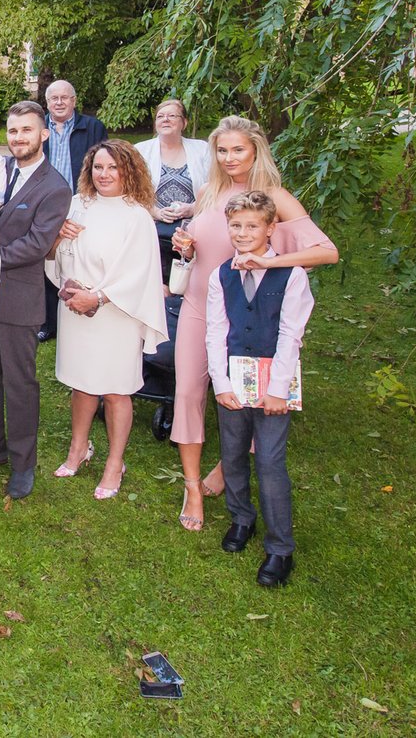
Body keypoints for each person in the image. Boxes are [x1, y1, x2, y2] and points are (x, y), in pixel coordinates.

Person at [171, 117, 337, 533]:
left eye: (237, 150)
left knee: (249, 392)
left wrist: (270, 261)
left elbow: (326, 252)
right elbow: (205, 246)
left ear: (256, 150)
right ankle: (192, 486)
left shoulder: (275, 197)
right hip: (199, 304)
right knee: (189, 390)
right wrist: (185, 245)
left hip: (249, 312)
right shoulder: (209, 192)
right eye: (222, 151)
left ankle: (228, 468)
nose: (229, 159)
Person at [44, 140, 168, 500]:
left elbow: (139, 272)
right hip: (76, 309)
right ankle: (78, 448)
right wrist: (56, 239)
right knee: (81, 383)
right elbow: (56, 255)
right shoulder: (77, 205)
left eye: (113, 167)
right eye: (98, 167)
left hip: (116, 312)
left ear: (129, 170)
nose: (104, 174)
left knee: (116, 389)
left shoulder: (136, 216)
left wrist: (96, 297)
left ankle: (115, 463)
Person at [207, 190, 314, 587]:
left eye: (252, 226)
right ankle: (241, 518)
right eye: (236, 225)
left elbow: (291, 334)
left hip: (274, 380)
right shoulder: (222, 274)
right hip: (234, 377)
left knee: (269, 461)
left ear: (271, 228)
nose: (243, 232)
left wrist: (278, 389)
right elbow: (217, 330)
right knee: (232, 453)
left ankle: (280, 547)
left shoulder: (292, 275)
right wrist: (220, 382)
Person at [0, 101, 71, 499]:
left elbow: (37, 244)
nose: (18, 138)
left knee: (20, 384)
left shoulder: (55, 187)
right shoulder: (3, 171)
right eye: (13, 131)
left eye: (26, 131)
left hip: (19, 298)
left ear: (43, 133)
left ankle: (23, 463)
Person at [40, 80, 108, 342]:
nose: (59, 102)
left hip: (82, 201)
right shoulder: (39, 127)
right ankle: (48, 322)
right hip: (47, 201)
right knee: (48, 256)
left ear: (74, 101)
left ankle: (83, 302)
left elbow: (103, 162)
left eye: (64, 98)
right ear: (47, 103)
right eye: (54, 98)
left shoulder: (92, 127)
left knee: (78, 257)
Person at [135, 99, 212, 274]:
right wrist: (154, 211)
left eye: (172, 115)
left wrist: (193, 208)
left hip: (193, 228)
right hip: (153, 228)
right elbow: (129, 191)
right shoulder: (139, 150)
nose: (165, 119)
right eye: (160, 116)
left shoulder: (202, 149)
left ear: (184, 122)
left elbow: (215, 187)